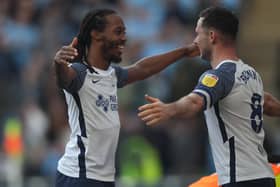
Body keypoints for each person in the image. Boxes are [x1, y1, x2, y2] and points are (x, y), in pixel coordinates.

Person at [53, 8, 199, 187]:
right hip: (78, 176)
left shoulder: (112, 75)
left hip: (103, 178)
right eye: (118, 32)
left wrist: (184, 52)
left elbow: (143, 69)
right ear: (96, 35)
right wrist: (59, 63)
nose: (123, 38)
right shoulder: (80, 72)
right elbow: (64, 79)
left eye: (124, 32)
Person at [138, 7, 277, 187]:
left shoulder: (218, 76)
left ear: (211, 36)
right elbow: (268, 103)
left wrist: (169, 109)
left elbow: (195, 101)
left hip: (239, 179)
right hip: (265, 177)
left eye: (198, 33)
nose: (195, 40)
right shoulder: (251, 74)